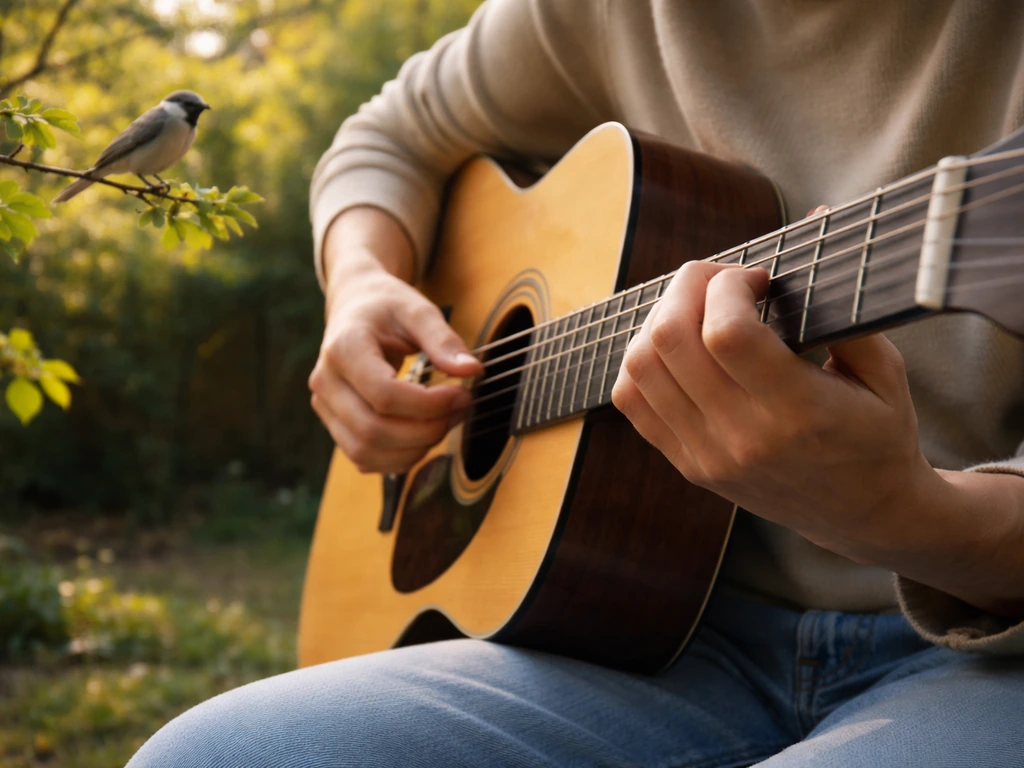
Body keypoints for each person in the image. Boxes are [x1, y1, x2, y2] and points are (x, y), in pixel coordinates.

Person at [128, 1, 1024, 765]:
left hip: (984, 658)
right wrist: (362, 281)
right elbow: (388, 136)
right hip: (643, 634)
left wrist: (910, 518)